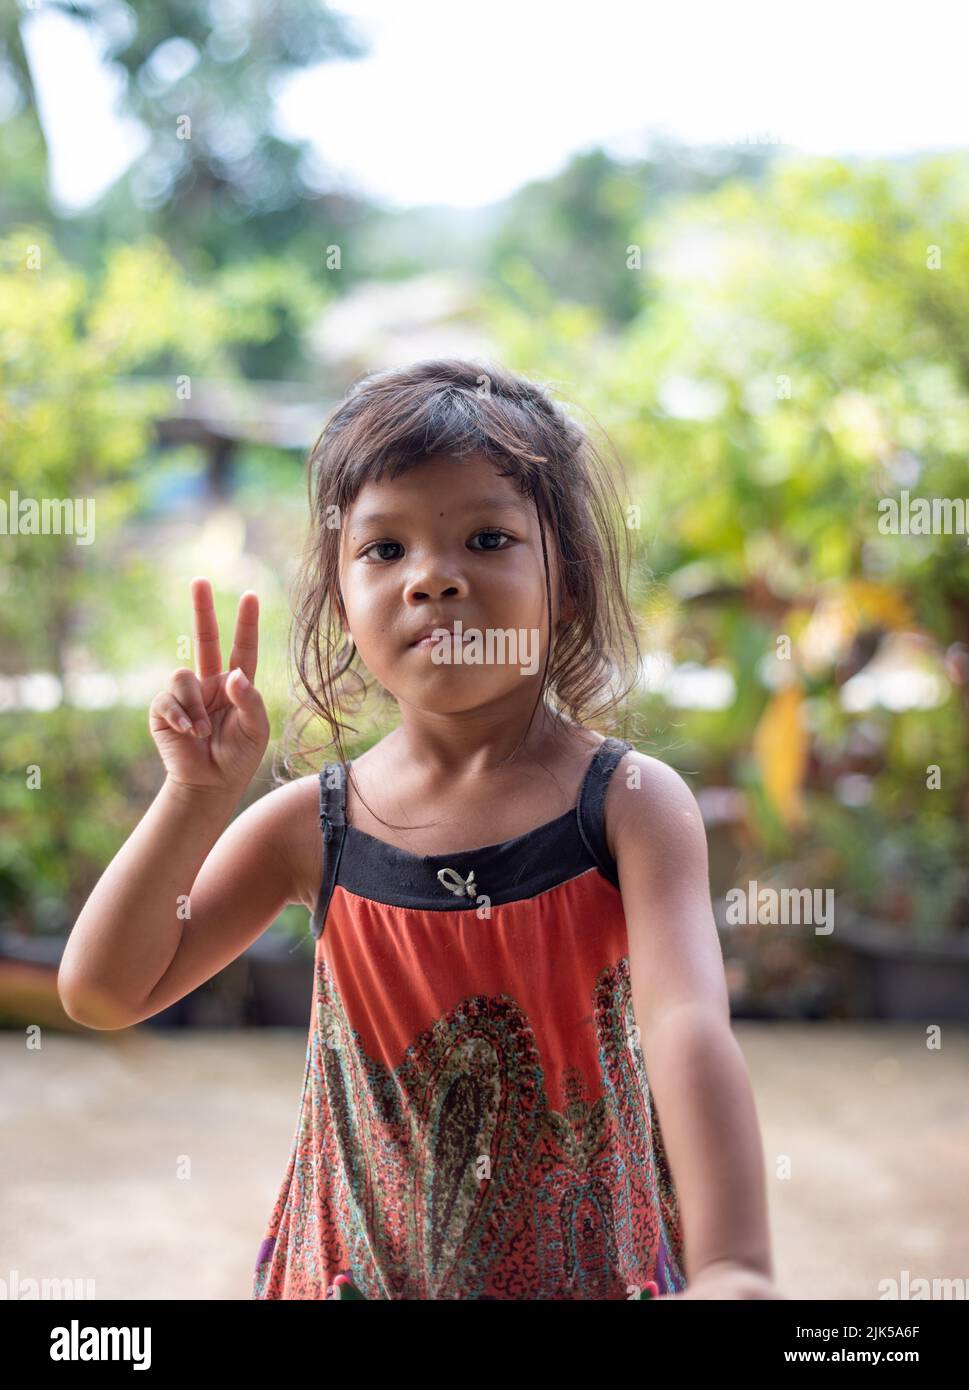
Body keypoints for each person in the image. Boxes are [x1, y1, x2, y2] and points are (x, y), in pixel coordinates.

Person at [59, 358, 782, 1301]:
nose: (432, 579)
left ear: (567, 578)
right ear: (342, 605)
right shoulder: (308, 827)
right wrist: (195, 799)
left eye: (487, 538)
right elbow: (105, 993)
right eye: (384, 550)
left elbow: (686, 1023)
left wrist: (733, 1263)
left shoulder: (628, 804)